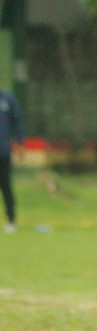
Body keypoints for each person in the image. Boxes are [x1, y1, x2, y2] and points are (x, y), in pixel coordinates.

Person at [0, 80, 24, 233]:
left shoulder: (8, 100)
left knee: (5, 186)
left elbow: (18, 121)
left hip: (3, 152)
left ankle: (11, 220)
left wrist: (20, 143)